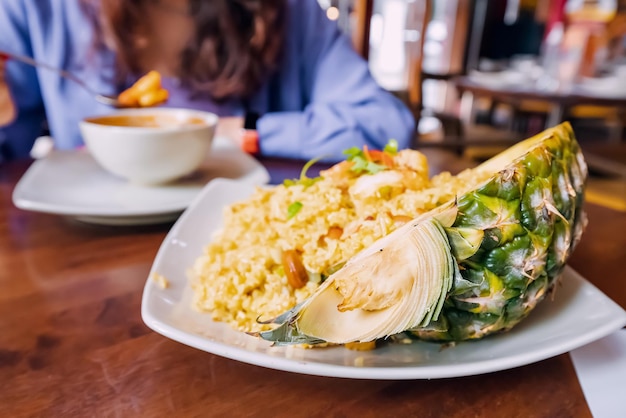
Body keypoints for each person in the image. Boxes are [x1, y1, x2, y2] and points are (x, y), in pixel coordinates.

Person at [0, 0, 415, 163]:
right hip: (79, 261)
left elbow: (387, 127)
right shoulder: (34, 10)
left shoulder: (293, 13)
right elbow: (9, 147)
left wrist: (248, 131)